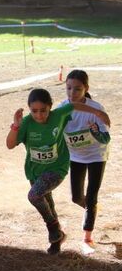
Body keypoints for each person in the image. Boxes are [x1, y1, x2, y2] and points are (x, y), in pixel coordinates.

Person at [6, 88, 110, 254]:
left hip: (57, 169)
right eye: (34, 111)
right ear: (29, 109)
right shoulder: (26, 123)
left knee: (34, 195)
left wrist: (97, 112)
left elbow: (75, 105)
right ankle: (57, 239)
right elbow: (10, 145)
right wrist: (16, 126)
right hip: (35, 171)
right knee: (48, 204)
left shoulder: (58, 115)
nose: (39, 115)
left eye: (43, 110)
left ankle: (53, 227)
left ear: (50, 107)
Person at [59, 70, 111, 255]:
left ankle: (87, 237)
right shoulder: (62, 108)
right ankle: (91, 208)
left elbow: (105, 138)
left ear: (86, 89)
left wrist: (95, 131)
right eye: (68, 88)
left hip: (97, 155)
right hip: (76, 157)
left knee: (91, 195)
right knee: (76, 197)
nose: (72, 93)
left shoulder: (96, 108)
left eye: (77, 89)